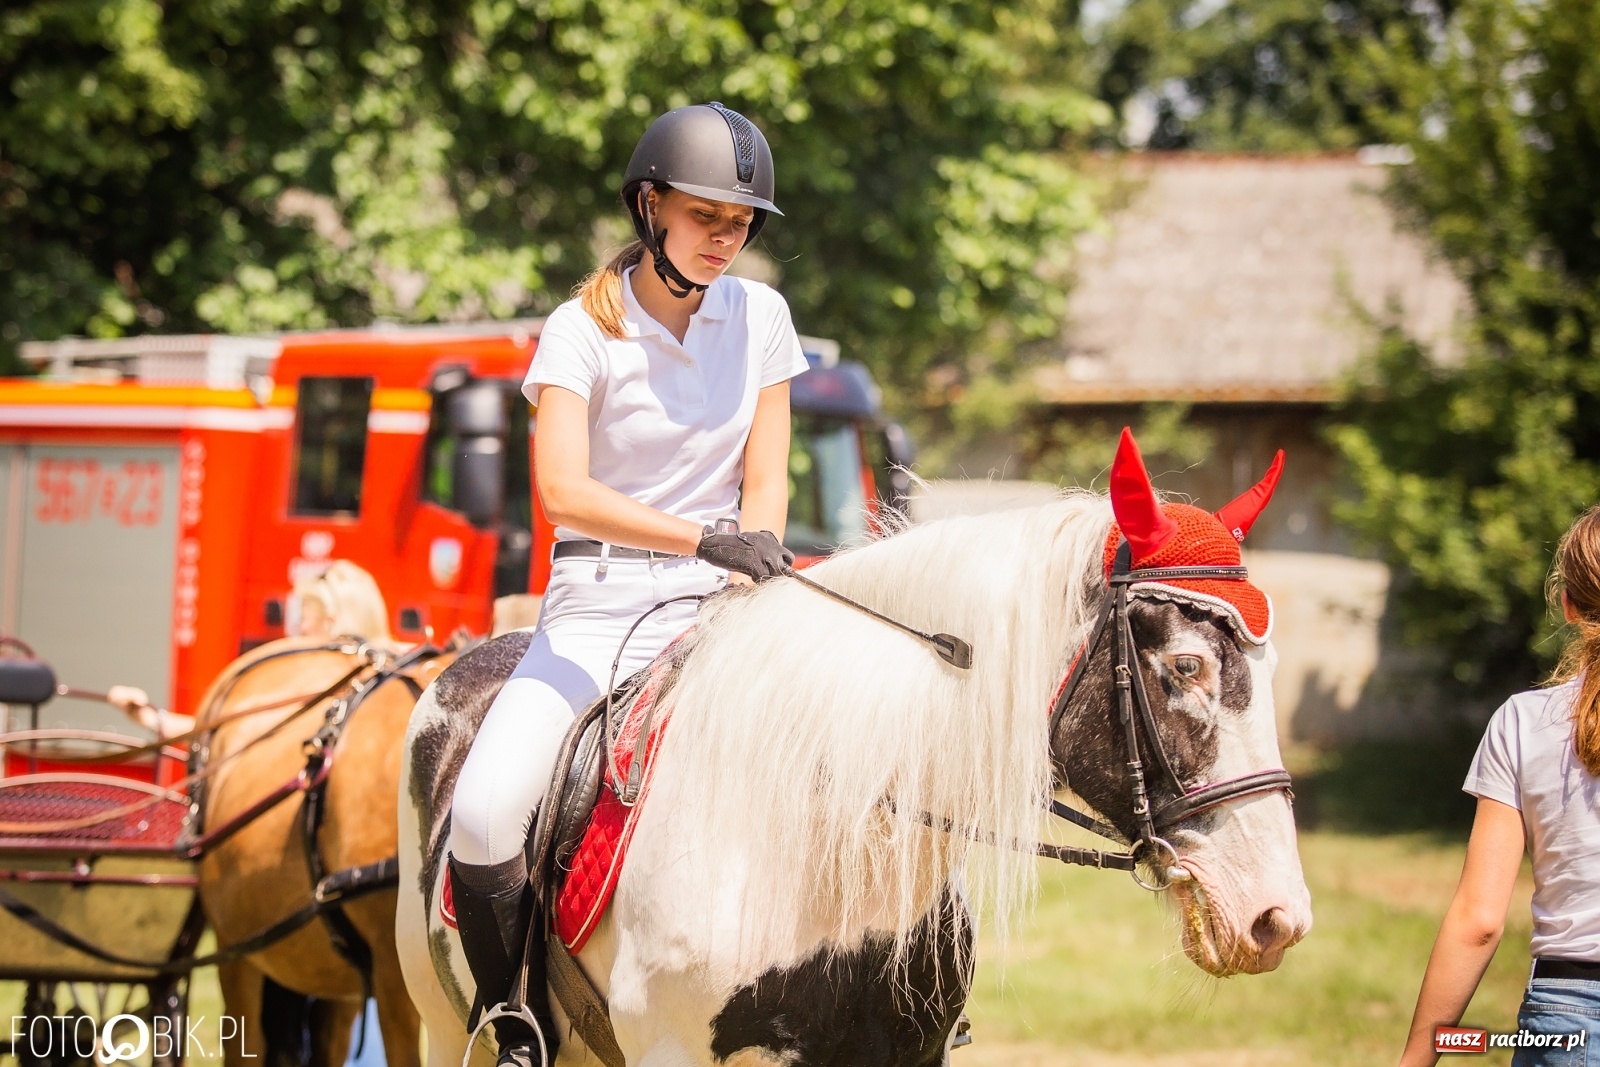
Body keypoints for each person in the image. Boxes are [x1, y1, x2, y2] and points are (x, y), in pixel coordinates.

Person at [445, 102, 809, 1067]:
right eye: (707, 218)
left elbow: (766, 476)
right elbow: (563, 492)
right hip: (597, 611)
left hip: (720, 610)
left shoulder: (762, 316)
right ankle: (510, 1011)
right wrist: (707, 537)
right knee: (484, 814)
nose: (728, 240)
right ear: (650, 207)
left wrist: (754, 557)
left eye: (742, 224)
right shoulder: (578, 331)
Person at [1400, 505, 1600, 1066]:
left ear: (1568, 605)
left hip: (1568, 1025)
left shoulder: (1522, 723)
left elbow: (1480, 921)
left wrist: (1415, 1062)